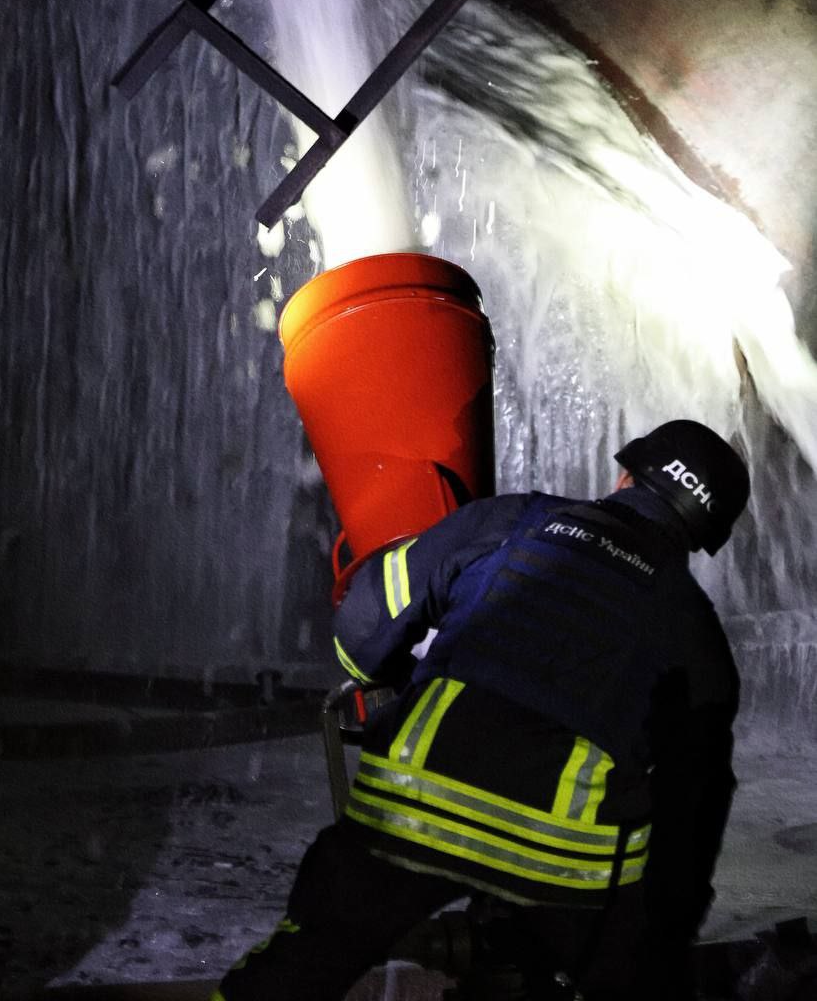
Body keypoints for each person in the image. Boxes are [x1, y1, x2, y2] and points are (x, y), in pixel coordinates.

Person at [212, 420, 750, 1001]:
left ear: (625, 477)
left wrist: (381, 672)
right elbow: (693, 814)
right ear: (702, 535)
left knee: (304, 963)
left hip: (412, 809)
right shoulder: (697, 632)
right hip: (562, 860)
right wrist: (656, 940)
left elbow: (363, 624)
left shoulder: (512, 519)